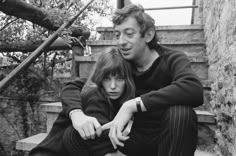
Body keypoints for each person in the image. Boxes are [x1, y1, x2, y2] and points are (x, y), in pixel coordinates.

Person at [30, 4, 204, 156]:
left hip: (163, 137)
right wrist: (77, 115)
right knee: (76, 128)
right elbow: (78, 85)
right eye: (117, 34)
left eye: (128, 34)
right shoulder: (122, 61)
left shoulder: (172, 59)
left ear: (148, 35)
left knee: (181, 113)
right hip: (126, 139)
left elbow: (193, 89)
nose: (121, 42)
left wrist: (132, 105)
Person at [63, 47, 135, 156]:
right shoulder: (95, 95)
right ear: (100, 78)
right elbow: (71, 87)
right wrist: (76, 113)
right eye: (107, 78)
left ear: (128, 79)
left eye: (119, 78)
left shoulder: (130, 96)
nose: (113, 86)